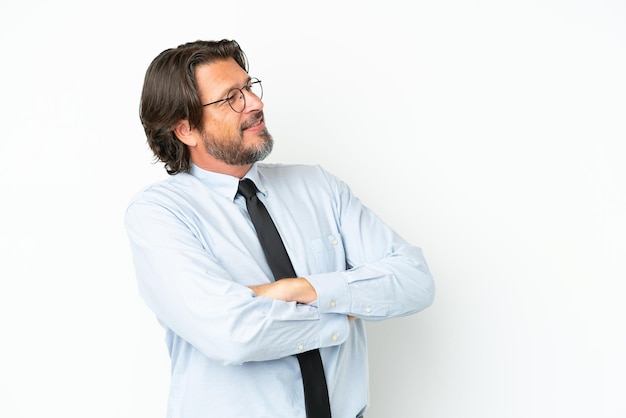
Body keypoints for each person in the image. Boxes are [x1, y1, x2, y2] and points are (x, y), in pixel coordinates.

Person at [125, 39, 435, 418]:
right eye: (231, 98)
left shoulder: (318, 187)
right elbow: (233, 334)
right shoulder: (159, 214)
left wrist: (302, 289)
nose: (255, 104)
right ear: (186, 129)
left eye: (249, 88)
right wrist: (348, 304)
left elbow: (415, 280)